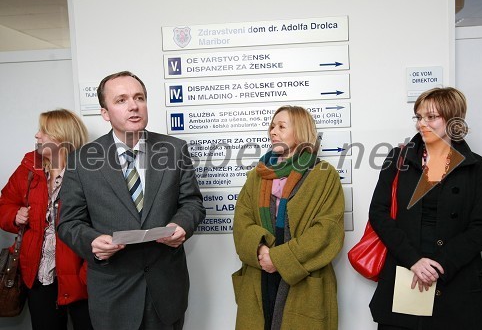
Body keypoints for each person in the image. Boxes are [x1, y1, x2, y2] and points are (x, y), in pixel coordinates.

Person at [57, 71, 205, 330]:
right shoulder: (82, 160)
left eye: (139, 98)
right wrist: (92, 241)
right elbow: (68, 222)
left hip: (166, 290)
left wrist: (182, 225)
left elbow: (192, 203)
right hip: (113, 292)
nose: (134, 106)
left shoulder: (174, 149)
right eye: (121, 100)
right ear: (105, 113)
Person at [368, 87, 482, 329]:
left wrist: (440, 265)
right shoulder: (398, 158)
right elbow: (378, 213)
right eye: (418, 117)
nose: (421, 124)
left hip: (456, 279)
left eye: (431, 117)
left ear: (453, 120)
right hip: (407, 272)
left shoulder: (476, 165)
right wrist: (414, 260)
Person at [232, 105, 345, 330]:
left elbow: (327, 230)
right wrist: (260, 251)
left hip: (301, 279)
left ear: (301, 132)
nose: (273, 132)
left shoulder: (323, 175)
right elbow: (241, 220)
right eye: (272, 126)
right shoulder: (257, 175)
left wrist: (280, 258)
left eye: (282, 126)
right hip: (260, 275)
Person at [0, 109, 91, 330]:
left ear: (62, 137)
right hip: (37, 275)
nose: (37, 136)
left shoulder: (89, 172)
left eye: (44, 131)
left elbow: (106, 224)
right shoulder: (29, 169)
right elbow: (4, 204)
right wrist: (15, 215)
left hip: (81, 277)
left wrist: (88, 275)